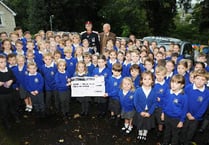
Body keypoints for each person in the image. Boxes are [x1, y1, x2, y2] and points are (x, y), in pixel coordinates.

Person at [180, 69, 209, 145]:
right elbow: (184, 101)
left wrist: (195, 116)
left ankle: (187, 142)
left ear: (206, 81)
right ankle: (181, 142)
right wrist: (187, 113)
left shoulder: (206, 93)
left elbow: (204, 107)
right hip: (185, 114)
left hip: (196, 118)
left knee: (191, 132)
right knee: (183, 130)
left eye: (203, 80)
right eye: (197, 78)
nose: (199, 81)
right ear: (194, 79)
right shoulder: (188, 88)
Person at [161, 74, 188, 145]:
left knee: (175, 134)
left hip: (176, 119)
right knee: (167, 131)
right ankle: (165, 143)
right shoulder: (167, 92)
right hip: (167, 116)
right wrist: (163, 113)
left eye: (177, 83)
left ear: (182, 85)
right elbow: (164, 103)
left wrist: (182, 121)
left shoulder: (183, 96)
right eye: (172, 82)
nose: (173, 85)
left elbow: (184, 109)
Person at [134, 71, 157, 142]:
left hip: (148, 111)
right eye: (145, 79)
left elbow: (154, 103)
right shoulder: (138, 90)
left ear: (152, 81)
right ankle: (140, 133)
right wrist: (140, 111)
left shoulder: (154, 91)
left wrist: (150, 112)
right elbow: (136, 102)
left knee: (147, 123)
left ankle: (145, 134)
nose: (147, 81)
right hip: (140, 111)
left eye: (149, 79)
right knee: (140, 122)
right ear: (141, 80)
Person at [0, 54, 19, 129]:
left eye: (4, 62)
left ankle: (15, 117)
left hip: (10, 92)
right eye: (1, 62)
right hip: (1, 94)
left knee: (12, 106)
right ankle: (6, 121)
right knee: (3, 108)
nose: (3, 63)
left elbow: (14, 78)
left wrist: (11, 80)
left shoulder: (9, 70)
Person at [153, 66, 169, 138]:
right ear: (155, 74)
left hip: (161, 106)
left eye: (162, 75)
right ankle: (153, 128)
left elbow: (167, 97)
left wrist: (161, 99)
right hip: (153, 104)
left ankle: (160, 131)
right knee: (153, 117)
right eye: (158, 74)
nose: (160, 77)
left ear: (165, 75)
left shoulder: (166, 85)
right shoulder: (152, 82)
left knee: (160, 120)